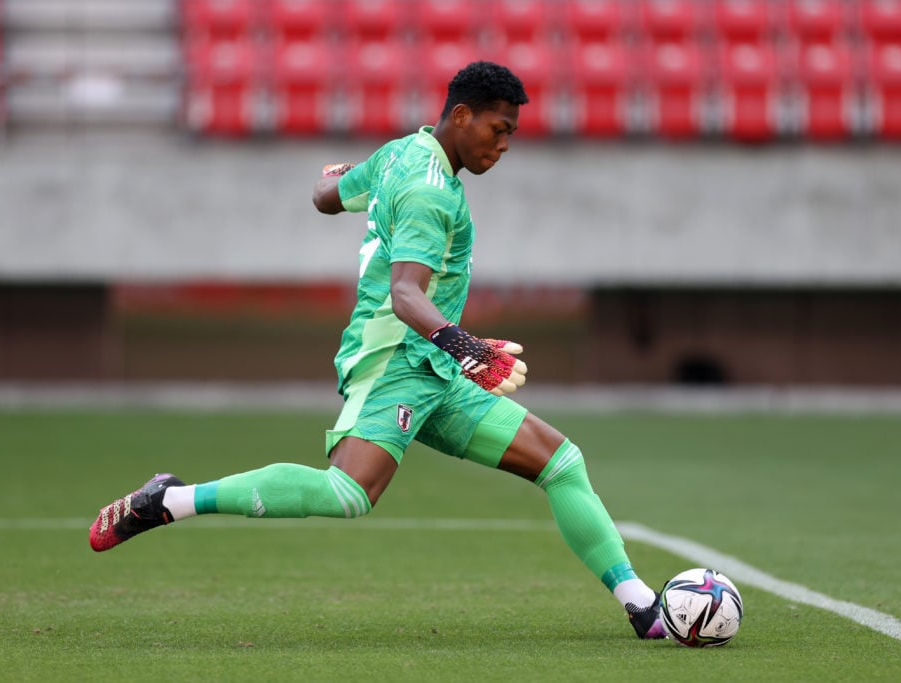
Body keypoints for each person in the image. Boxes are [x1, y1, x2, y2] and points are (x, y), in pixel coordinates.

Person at [88, 61, 665, 640]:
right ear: (461, 116)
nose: (506, 143)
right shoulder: (427, 191)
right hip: (394, 358)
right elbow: (405, 292)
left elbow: (323, 196)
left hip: (432, 367)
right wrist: (466, 346)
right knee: (348, 493)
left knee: (561, 464)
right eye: (499, 127)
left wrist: (345, 179)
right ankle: (172, 499)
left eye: (512, 131)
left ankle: (644, 608)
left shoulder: (401, 153)